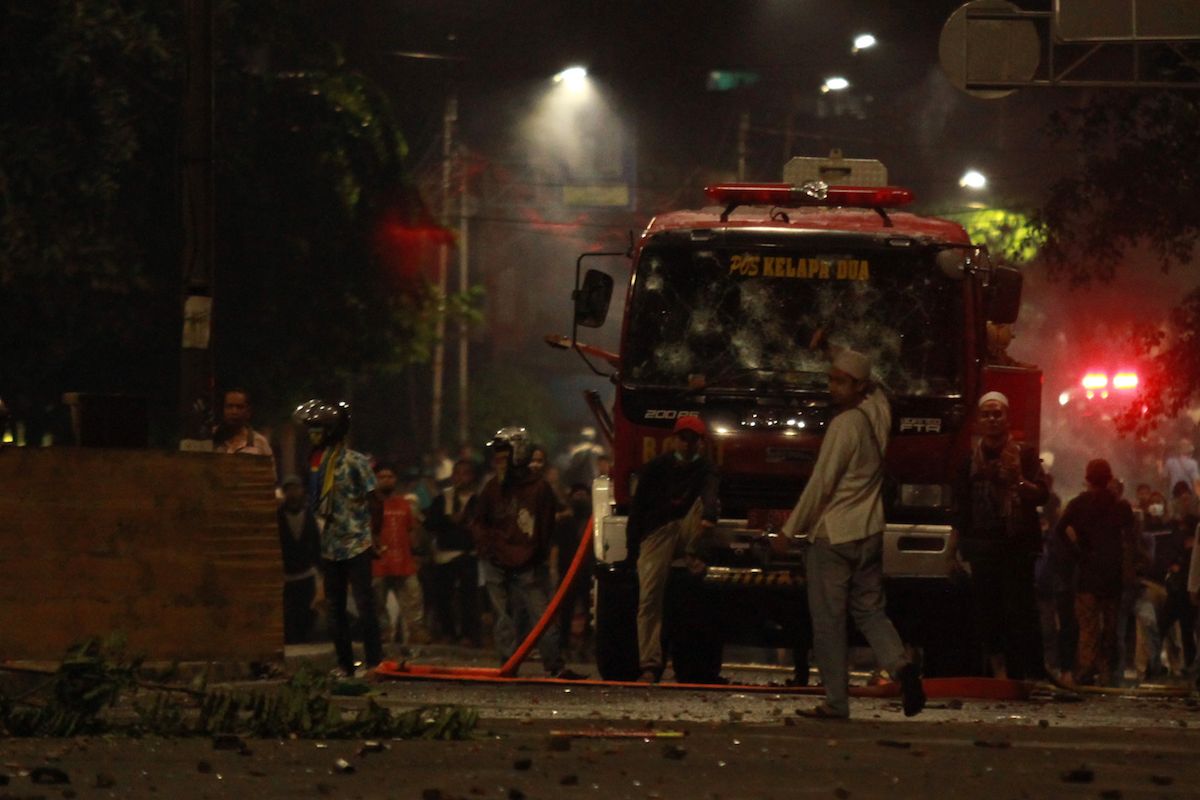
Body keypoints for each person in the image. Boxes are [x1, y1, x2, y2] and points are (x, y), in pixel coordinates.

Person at [780, 348, 924, 719]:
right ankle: (902, 666)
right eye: (830, 378)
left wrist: (790, 529)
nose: (831, 387)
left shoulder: (844, 425)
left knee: (828, 622)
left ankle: (836, 701)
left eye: (840, 381)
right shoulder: (879, 413)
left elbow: (821, 484)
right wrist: (832, 347)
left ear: (859, 385)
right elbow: (878, 390)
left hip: (833, 534)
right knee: (871, 613)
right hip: (870, 531)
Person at [472, 427, 583, 679]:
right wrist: (487, 547)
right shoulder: (492, 487)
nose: (498, 459)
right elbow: (480, 521)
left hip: (528, 562)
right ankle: (508, 664)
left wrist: (535, 555)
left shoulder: (539, 488)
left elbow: (545, 526)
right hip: (496, 559)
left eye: (503, 452)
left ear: (518, 453)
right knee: (503, 615)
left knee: (541, 614)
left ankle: (553, 663)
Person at [958, 390, 1049, 681]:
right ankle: (997, 673)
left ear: (1007, 418)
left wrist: (1017, 481)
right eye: (986, 414)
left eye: (997, 414)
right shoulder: (969, 462)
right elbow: (961, 508)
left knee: (1019, 611)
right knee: (987, 611)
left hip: (1017, 546)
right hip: (982, 546)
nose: (992, 419)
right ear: (978, 421)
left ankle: (1024, 673)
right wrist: (956, 548)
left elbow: (1042, 495)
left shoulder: (1025, 455)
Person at [293, 399, 383, 678]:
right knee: (335, 608)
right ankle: (344, 664)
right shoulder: (316, 463)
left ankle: (375, 661)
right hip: (330, 545)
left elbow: (375, 500)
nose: (313, 433)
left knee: (365, 604)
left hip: (357, 542)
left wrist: (374, 535)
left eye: (318, 428)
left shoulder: (355, 461)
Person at [627, 416, 719, 683]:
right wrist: (633, 550)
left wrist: (704, 533)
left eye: (693, 439)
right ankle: (649, 664)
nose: (688, 444)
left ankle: (693, 554)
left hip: (687, 528)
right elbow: (638, 509)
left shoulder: (706, 468)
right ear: (674, 440)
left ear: (701, 443)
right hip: (658, 530)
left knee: (707, 509)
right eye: (684, 438)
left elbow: (710, 497)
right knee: (649, 598)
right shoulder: (656, 467)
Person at [1056, 459, 1133, 686]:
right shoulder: (1120, 506)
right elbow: (1130, 539)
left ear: (1088, 478)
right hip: (1112, 575)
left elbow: (1060, 530)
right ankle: (1106, 671)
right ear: (1108, 478)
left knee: (1088, 626)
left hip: (1088, 573)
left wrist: (1077, 552)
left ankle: (1086, 670)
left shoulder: (1079, 504)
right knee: (1110, 627)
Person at [424, 458, 482, 647]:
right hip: (445, 554)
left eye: (464, 473)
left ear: (472, 476)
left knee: (469, 598)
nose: (459, 478)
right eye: (456, 474)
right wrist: (448, 520)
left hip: (469, 554)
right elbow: (430, 524)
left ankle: (468, 634)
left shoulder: (478, 500)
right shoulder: (443, 499)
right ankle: (448, 632)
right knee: (443, 597)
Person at [372, 463, 430, 646]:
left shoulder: (405, 505)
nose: (386, 480)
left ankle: (415, 637)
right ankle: (383, 640)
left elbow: (414, 532)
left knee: (414, 601)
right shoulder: (369, 506)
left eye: (390, 477)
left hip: (404, 563)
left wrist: (418, 553)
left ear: (395, 480)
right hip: (378, 565)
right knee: (377, 606)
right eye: (382, 477)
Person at [277, 474, 322, 644]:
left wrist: (321, 569)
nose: (293, 493)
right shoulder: (277, 517)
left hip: (306, 573)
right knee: (288, 611)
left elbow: (316, 543)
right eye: (289, 489)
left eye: (296, 488)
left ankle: (304, 639)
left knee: (306, 610)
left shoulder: (310, 516)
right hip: (285, 575)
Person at [553, 483, 595, 659]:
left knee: (589, 610)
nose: (579, 498)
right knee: (566, 610)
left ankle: (586, 645)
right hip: (567, 571)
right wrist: (555, 570)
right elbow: (556, 547)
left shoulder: (593, 522)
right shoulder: (565, 522)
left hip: (588, 572)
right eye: (576, 494)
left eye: (582, 494)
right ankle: (563, 645)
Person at [213, 388, 274, 457]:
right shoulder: (211, 437)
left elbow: (269, 467)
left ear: (248, 412)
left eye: (239, 407)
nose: (234, 412)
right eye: (229, 406)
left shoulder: (259, 442)